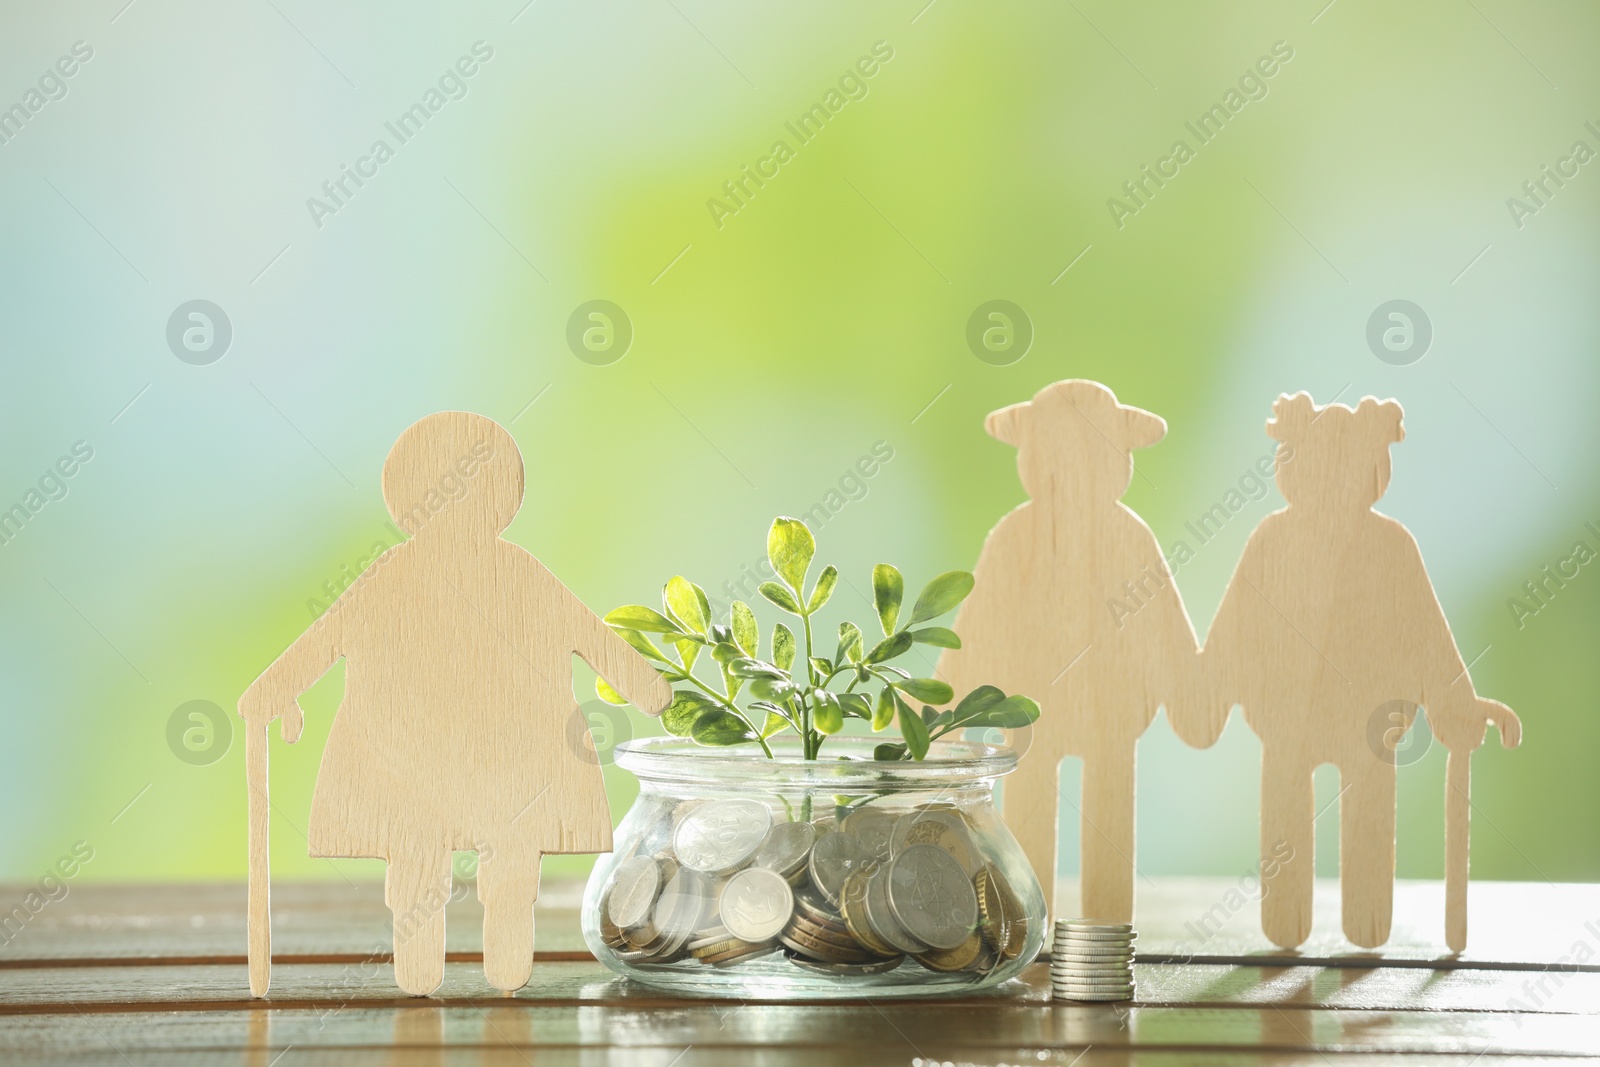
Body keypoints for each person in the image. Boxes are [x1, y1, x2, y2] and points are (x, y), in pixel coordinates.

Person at [238, 411, 670, 995]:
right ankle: (458, 964)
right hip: (446, 765)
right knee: (446, 861)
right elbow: (600, 645)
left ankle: (486, 962)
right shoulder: (476, 573)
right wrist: (271, 692)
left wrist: (272, 693)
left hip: (487, 764)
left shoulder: (461, 574)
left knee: (481, 865)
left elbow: (596, 642)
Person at [1203, 393, 1519, 948]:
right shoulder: (1271, 542)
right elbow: (1235, 628)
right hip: (1286, 720)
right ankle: (1286, 920)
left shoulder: (1392, 546)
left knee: (1369, 821)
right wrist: (1207, 690)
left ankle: (1367, 922)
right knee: (1286, 824)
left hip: (1371, 721)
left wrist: (1458, 705)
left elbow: (1426, 635)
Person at [940, 380, 1213, 923]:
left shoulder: (1128, 537)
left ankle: (1103, 925)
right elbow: (980, 625)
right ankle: (1023, 925)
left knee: (1107, 815)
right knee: (1030, 817)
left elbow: (1161, 626)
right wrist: (943, 705)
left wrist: (1189, 695)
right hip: (1030, 717)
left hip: (1110, 715)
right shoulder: (1016, 537)